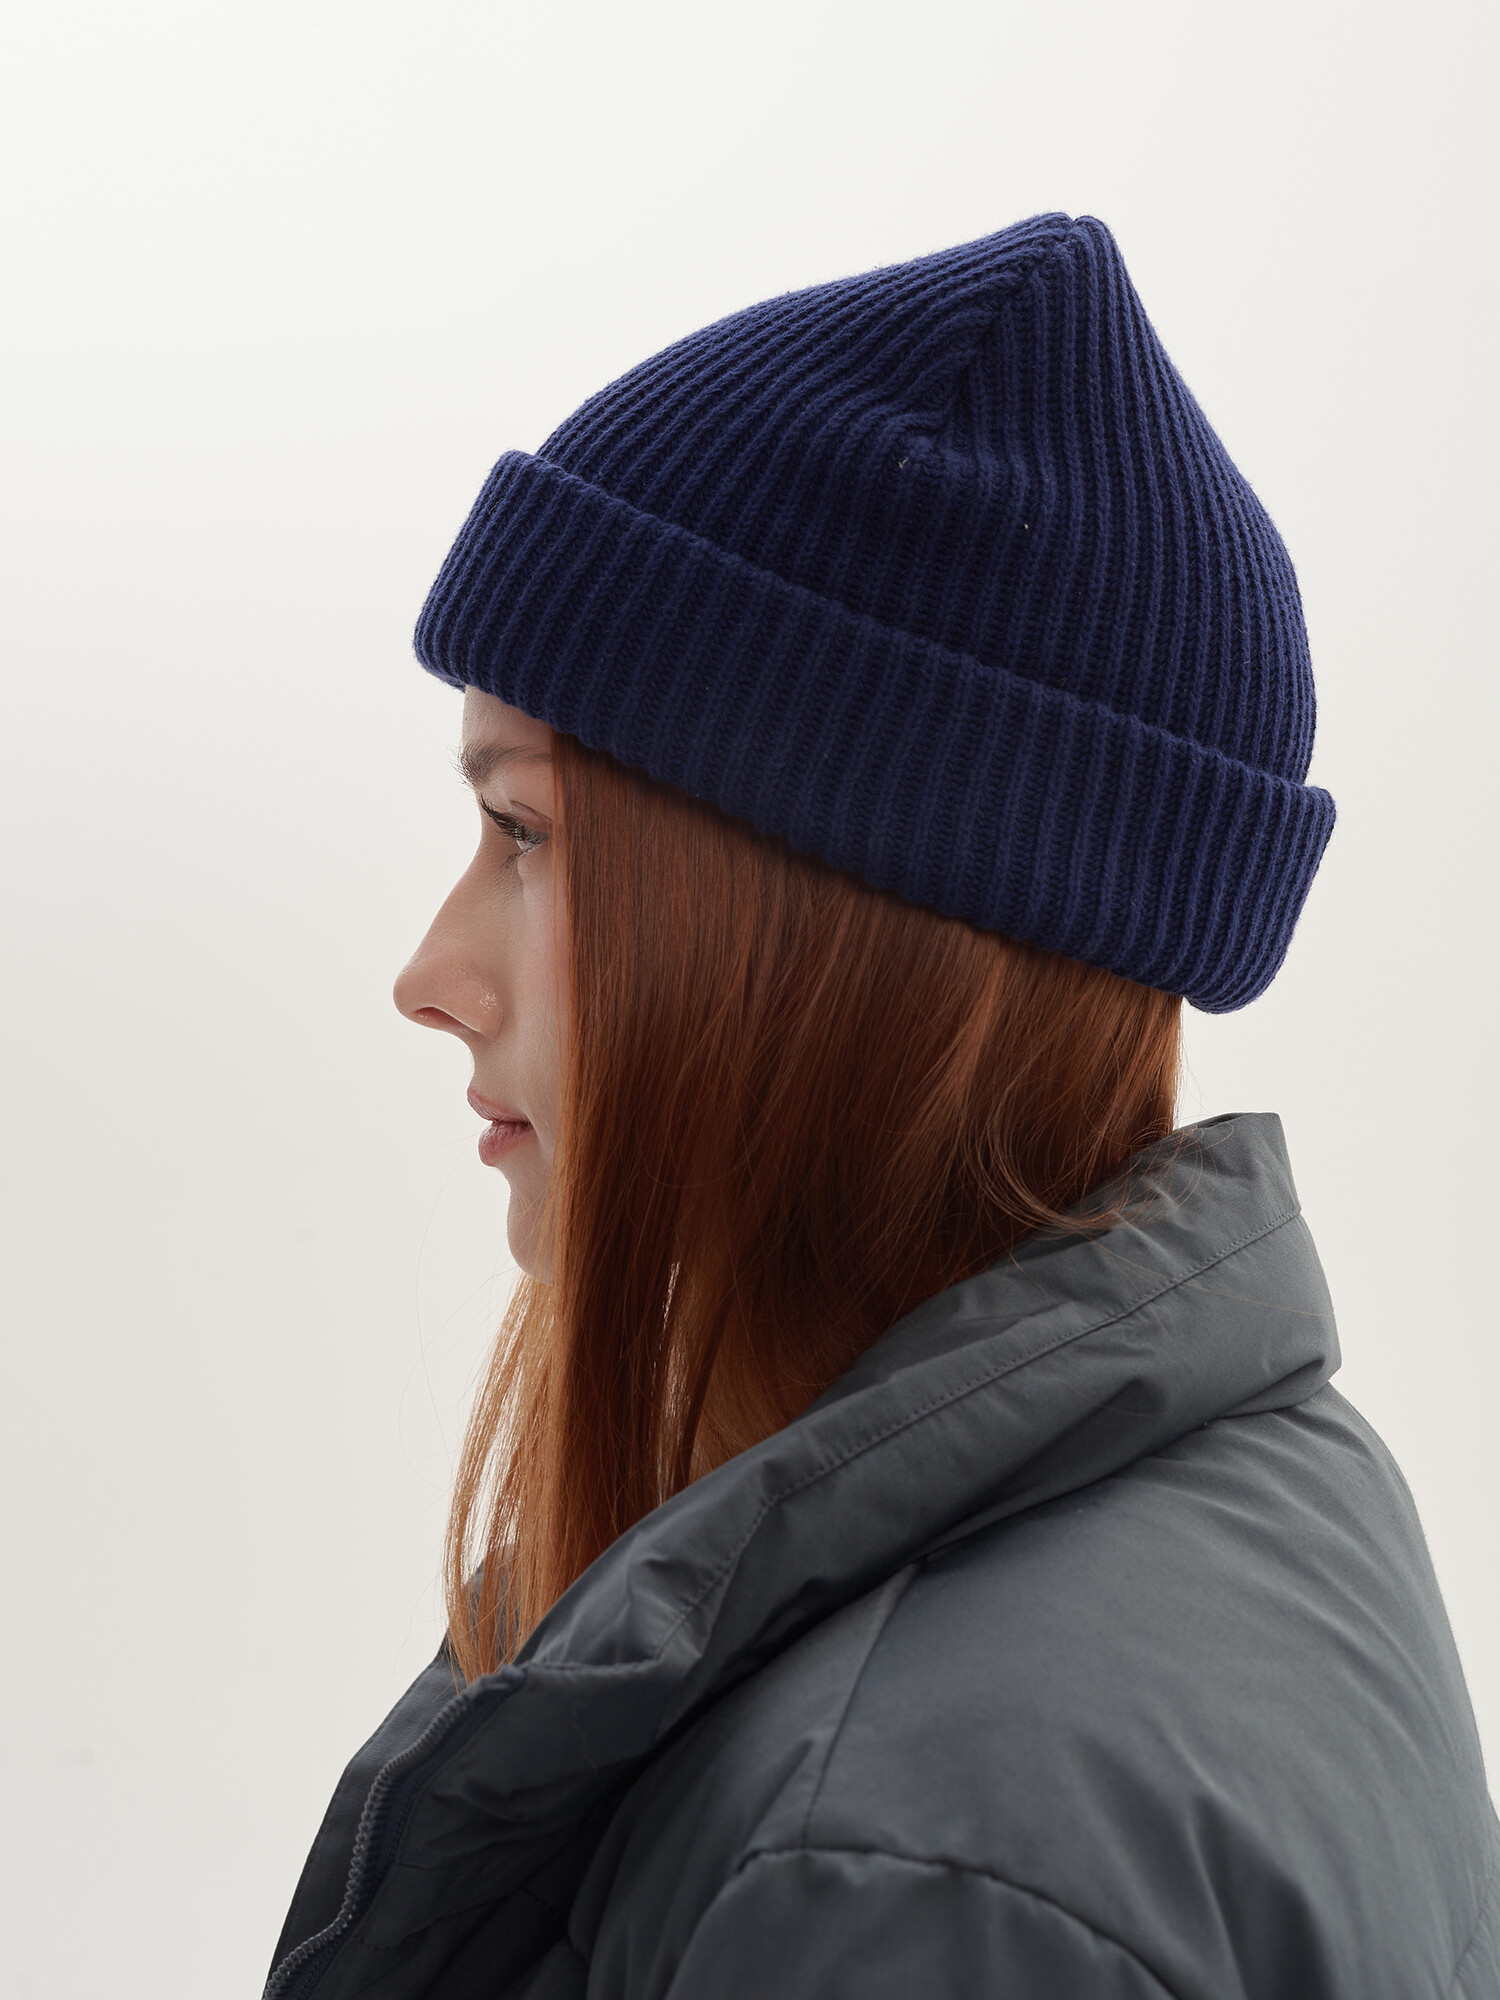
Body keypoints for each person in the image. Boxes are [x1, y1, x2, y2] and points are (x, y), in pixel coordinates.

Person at [263, 213, 1498, 1999]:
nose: (431, 973)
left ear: (843, 930)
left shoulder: (899, 1871)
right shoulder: (1253, 1488)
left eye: (524, 832)